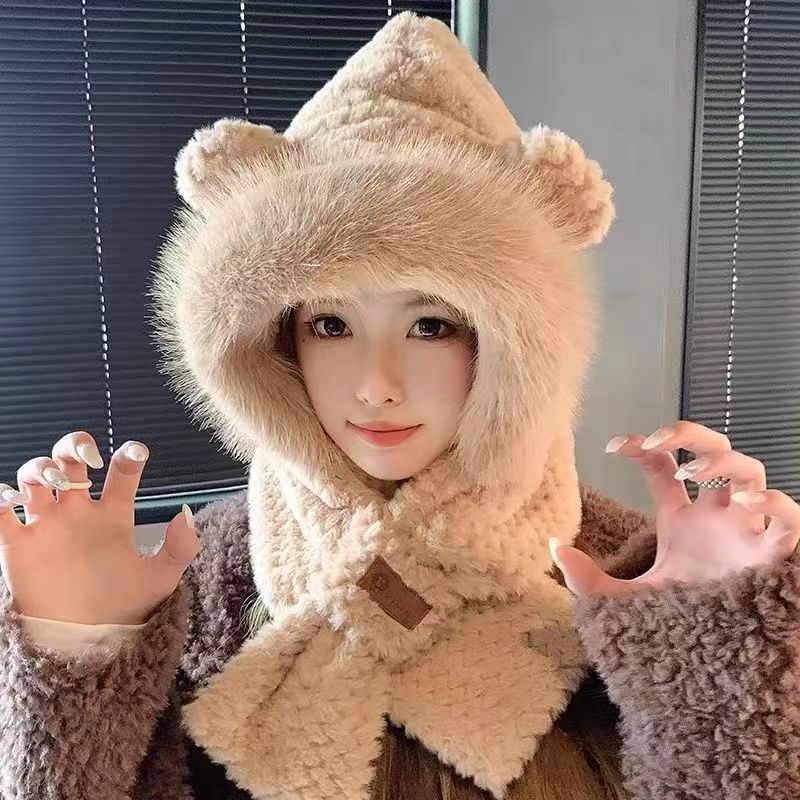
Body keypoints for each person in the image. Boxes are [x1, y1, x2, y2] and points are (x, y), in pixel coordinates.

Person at [2, 10, 800, 800]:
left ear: (514, 347)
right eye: (331, 324)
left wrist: (722, 658)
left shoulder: (633, 577)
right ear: (277, 346)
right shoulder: (198, 585)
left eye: (430, 325)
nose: (375, 384)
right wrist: (74, 660)